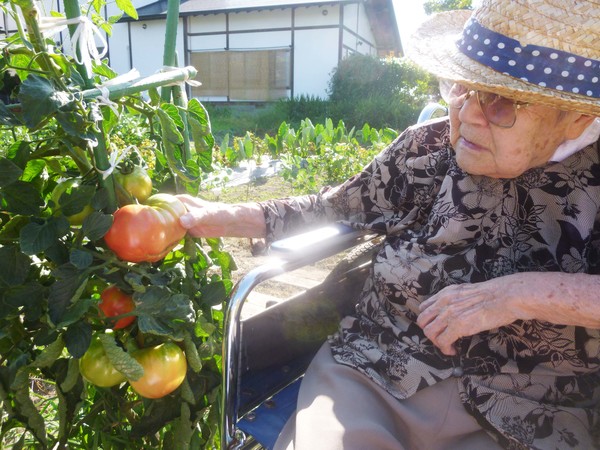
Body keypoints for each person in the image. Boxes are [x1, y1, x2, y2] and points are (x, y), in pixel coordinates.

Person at [178, 0, 600, 448]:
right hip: (376, 370)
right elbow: (332, 208)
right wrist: (212, 215)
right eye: (463, 87)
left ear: (576, 117)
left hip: (534, 410)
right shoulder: (426, 147)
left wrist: (519, 294)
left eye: (502, 102)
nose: (469, 114)